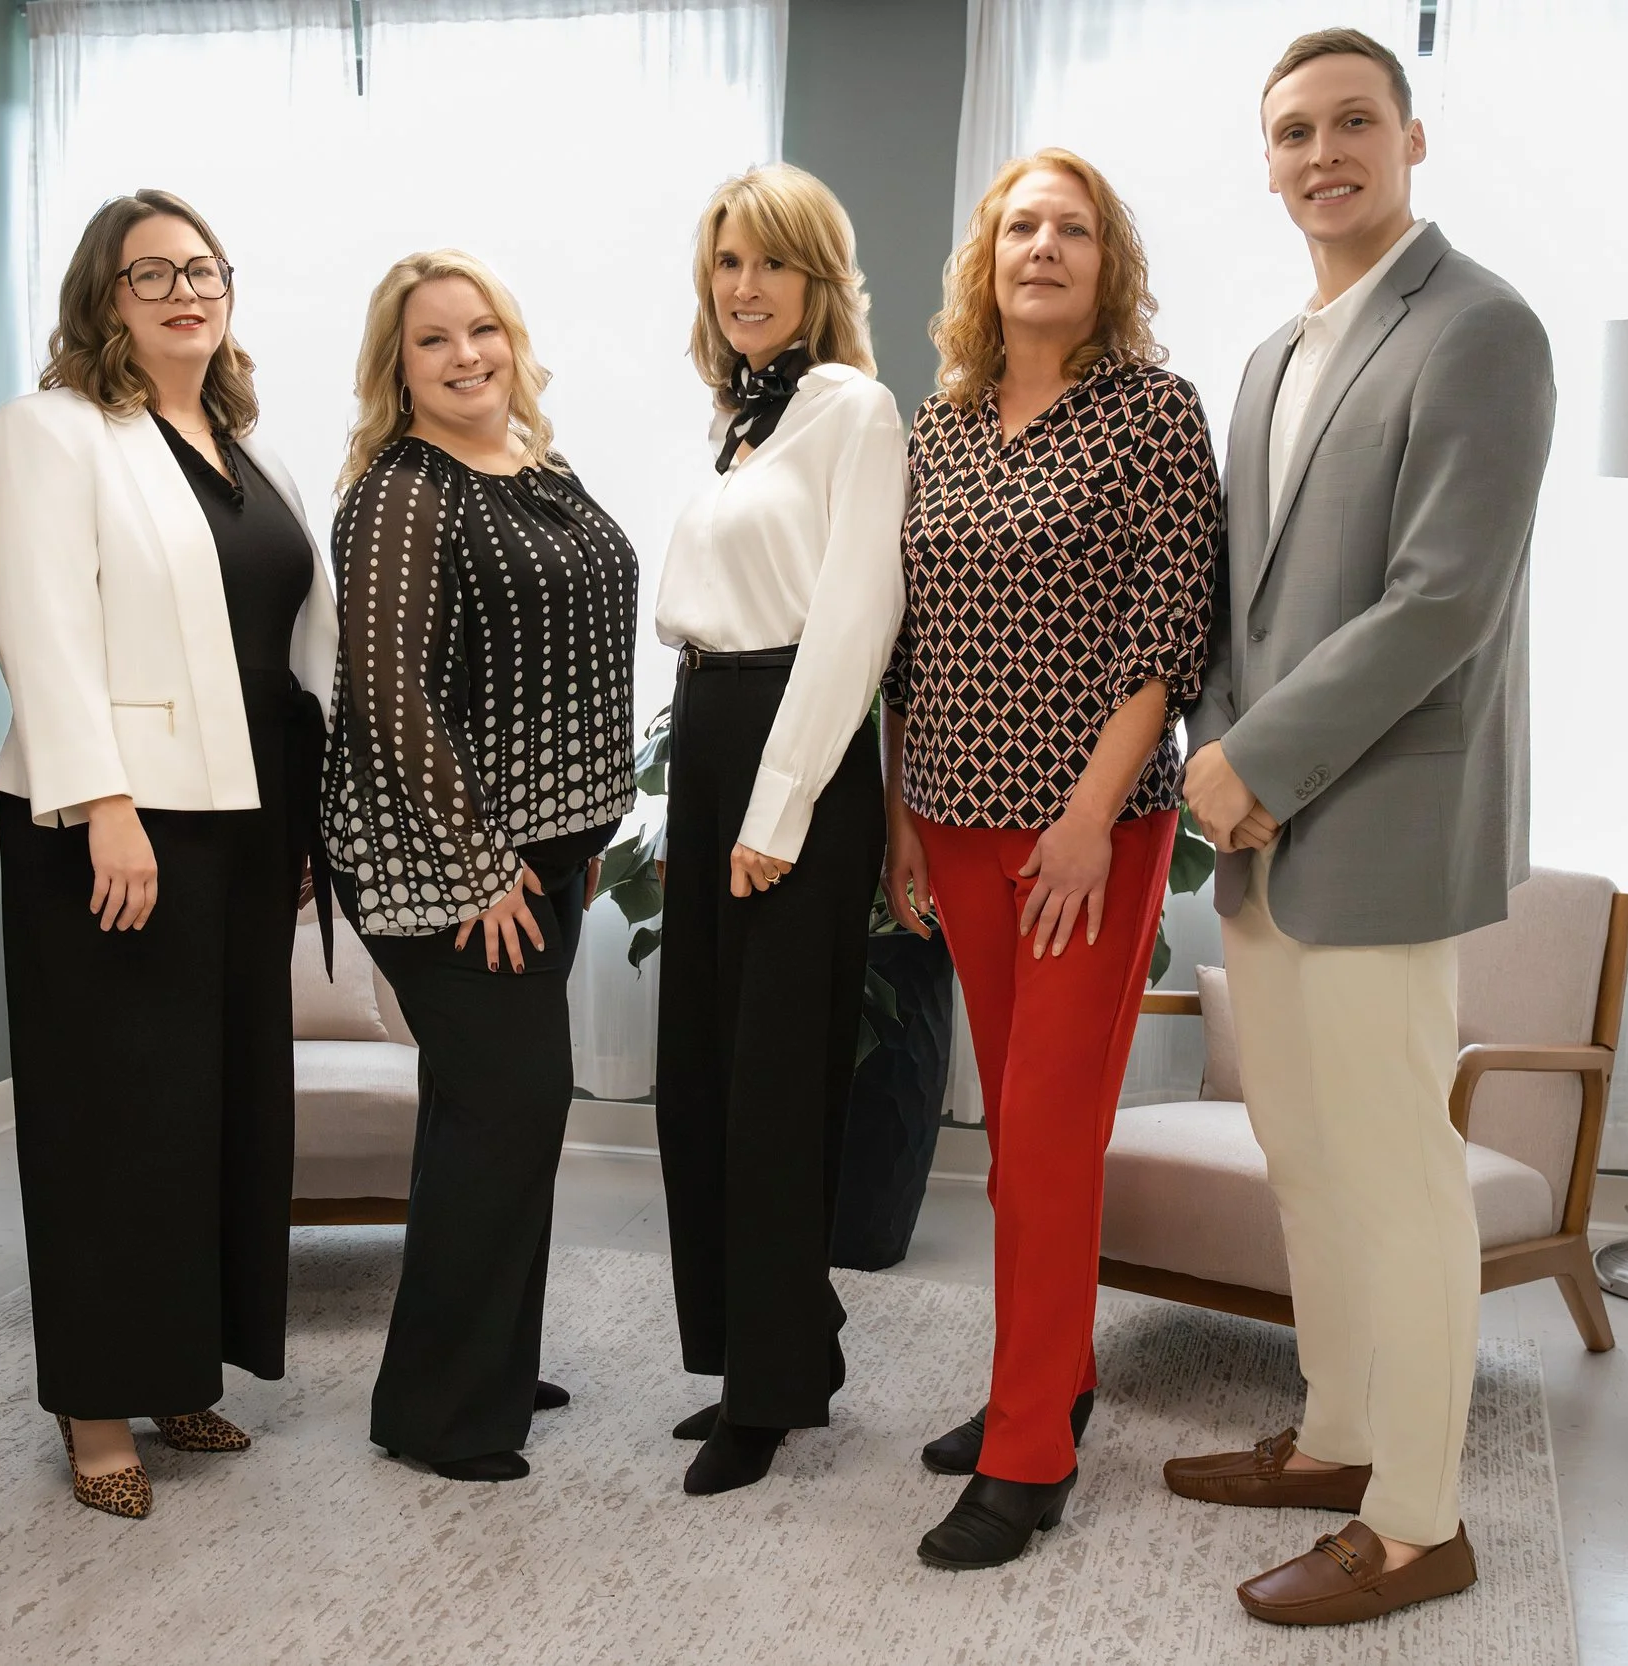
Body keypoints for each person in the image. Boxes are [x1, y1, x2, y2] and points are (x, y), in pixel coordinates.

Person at [1171, 29, 1555, 1626]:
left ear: (1411, 137)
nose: (1321, 154)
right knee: (1306, 1160)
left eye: (1351, 124)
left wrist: (1255, 761)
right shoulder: (1270, 357)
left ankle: (1417, 1520)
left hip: (1382, 824)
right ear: (1266, 163)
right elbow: (1241, 608)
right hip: (1263, 828)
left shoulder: (1481, 327)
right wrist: (1220, 758)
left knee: (1398, 1176)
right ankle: (1337, 1436)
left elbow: (1443, 602)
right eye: (1292, 133)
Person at [884, 148, 1221, 1570]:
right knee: (1025, 1132)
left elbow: (1169, 632)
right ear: (988, 255)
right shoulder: (939, 422)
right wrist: (901, 817)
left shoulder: (1153, 413)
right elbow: (904, 636)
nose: (1045, 247)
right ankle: (1053, 1372)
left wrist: (1090, 814)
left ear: (1107, 260)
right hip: (952, 819)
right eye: (1023, 225)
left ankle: (1030, 1453)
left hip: (1091, 828)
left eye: (1073, 229)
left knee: (1044, 1129)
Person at [0, 190, 339, 1519]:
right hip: (117, 824)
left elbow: (288, 649)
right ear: (105, 296)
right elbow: (41, 624)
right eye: (152, 274)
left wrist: (300, 824)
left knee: (220, 1110)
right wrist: (103, 801)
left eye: (204, 269)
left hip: (246, 819)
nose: (186, 291)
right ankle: (95, 1407)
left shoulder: (248, 443)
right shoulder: (53, 431)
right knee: (111, 1119)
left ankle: (183, 1365)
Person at [327, 251, 637, 1484]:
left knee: (485, 1111)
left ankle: (486, 1359)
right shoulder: (403, 491)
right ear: (394, 369)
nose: (466, 356)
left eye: (481, 330)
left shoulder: (538, 466)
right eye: (432, 341)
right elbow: (391, 697)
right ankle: (439, 1411)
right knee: (513, 1105)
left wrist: (582, 836)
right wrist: (481, 865)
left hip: (544, 853)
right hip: (443, 862)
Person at [652, 164, 905, 1496]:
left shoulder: (854, 410)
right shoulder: (740, 420)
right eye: (727, 262)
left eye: (771, 264)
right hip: (709, 738)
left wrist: (780, 802)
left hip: (786, 751)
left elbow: (856, 619)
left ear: (820, 279)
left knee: (771, 1087)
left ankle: (771, 1395)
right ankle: (774, 1343)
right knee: (702, 1067)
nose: (743, 287)